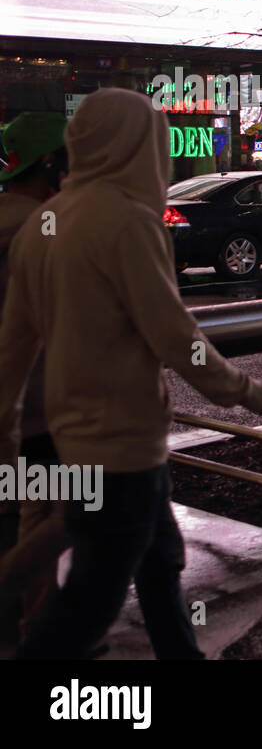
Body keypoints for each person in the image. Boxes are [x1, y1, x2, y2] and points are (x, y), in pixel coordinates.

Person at [0, 89, 262, 659]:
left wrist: (4, 436)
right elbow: (177, 339)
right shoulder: (129, 222)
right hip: (123, 447)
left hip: (79, 438)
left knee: (157, 566)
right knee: (90, 602)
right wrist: (247, 393)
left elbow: (13, 348)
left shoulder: (45, 223)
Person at [0, 114, 70, 645]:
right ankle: (42, 631)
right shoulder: (41, 230)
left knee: (33, 514)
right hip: (41, 408)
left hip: (17, 413)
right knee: (60, 516)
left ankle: (35, 626)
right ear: (50, 164)